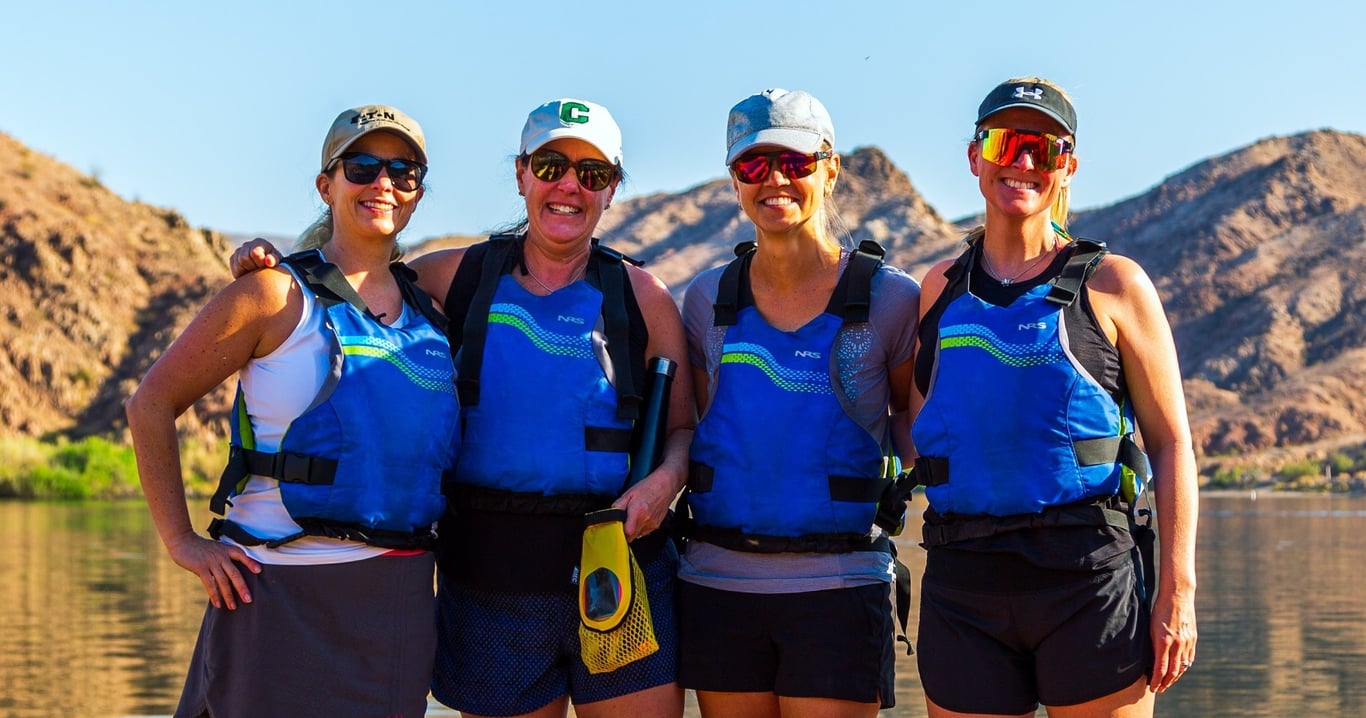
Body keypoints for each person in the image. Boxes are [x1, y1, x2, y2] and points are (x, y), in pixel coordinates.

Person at [231, 97, 692, 718]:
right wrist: (273, 268)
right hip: (487, 583)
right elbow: (346, 283)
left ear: (611, 191)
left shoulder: (644, 297)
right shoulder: (454, 278)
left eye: (593, 174)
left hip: (620, 571)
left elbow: (683, 428)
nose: (569, 186)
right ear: (522, 174)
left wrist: (664, 483)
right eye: (551, 166)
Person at [126, 104, 459, 717]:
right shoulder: (272, 293)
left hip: (399, 603)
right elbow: (150, 403)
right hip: (278, 590)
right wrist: (180, 541)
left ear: (417, 194)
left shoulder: (432, 309)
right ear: (326, 185)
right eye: (362, 167)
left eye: (403, 172)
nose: (383, 183)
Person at [908, 77, 1199, 717]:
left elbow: (1172, 444)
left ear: (1068, 165)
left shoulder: (1115, 284)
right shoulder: (939, 290)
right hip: (964, 580)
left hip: (1087, 578)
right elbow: (923, 427)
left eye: (1043, 148)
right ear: (975, 156)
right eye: (1004, 143)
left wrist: (1177, 589)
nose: (1022, 160)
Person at [677, 88, 920, 718]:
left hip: (840, 587)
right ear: (734, 178)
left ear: (830, 169)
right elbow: (694, 428)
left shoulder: (892, 300)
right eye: (753, 165)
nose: (775, 180)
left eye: (794, 162)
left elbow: (915, 425)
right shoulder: (706, 300)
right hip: (718, 586)